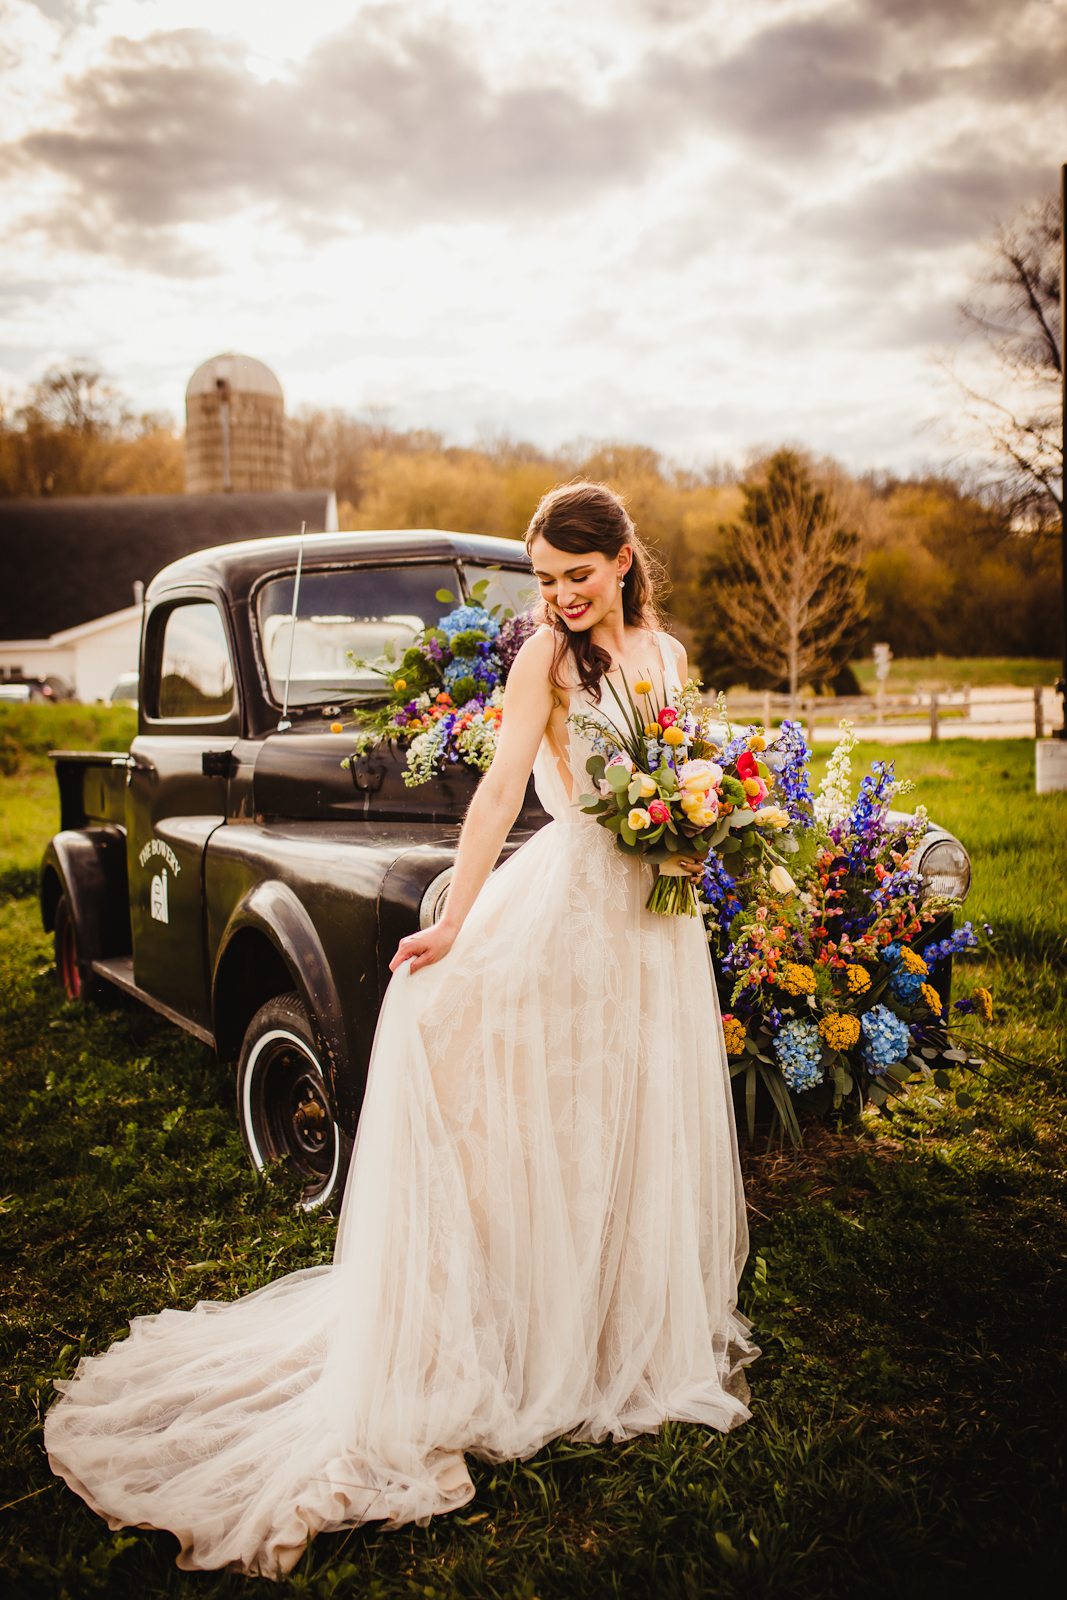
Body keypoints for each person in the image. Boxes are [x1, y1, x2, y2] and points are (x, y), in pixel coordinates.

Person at [44, 481, 756, 1577]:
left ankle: (624, 1324)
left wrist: (696, 830)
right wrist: (456, 917)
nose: (560, 599)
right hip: (566, 894)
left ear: (621, 562)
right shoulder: (539, 660)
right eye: (545, 581)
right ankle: (518, 1316)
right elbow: (497, 792)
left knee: (625, 1098)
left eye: (577, 577)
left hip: (651, 919)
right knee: (459, 1037)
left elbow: (682, 768)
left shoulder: (662, 652)